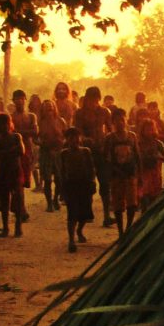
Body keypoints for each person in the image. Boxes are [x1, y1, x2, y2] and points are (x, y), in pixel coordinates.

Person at [75, 87, 113, 226]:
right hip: (86, 152)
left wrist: (108, 145)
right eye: (91, 99)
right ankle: (88, 212)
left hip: (102, 151)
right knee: (87, 184)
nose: (93, 102)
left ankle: (106, 215)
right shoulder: (79, 113)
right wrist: (86, 139)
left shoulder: (105, 112)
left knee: (105, 184)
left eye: (96, 99)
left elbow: (111, 130)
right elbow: (77, 133)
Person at [104, 109, 140, 237]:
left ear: (126, 121)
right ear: (113, 122)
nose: (120, 123)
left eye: (122, 120)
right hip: (116, 174)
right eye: (117, 121)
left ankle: (128, 228)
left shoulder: (132, 136)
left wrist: (138, 174)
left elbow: (137, 155)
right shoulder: (110, 138)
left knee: (131, 203)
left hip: (130, 174)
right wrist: (110, 173)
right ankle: (120, 231)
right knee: (118, 205)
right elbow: (107, 159)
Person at [58, 128, 95, 253]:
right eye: (70, 137)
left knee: (85, 213)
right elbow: (62, 172)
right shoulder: (63, 153)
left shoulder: (86, 151)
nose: (73, 140)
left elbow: (91, 169)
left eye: (76, 137)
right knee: (72, 213)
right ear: (67, 139)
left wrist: (92, 183)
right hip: (70, 185)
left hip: (84, 184)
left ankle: (79, 230)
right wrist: (61, 190)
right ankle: (71, 240)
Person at [0, 113, 25, 237]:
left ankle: (18, 226)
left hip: (14, 170)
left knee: (17, 199)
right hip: (5, 171)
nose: (5, 126)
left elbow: (21, 151)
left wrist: (6, 152)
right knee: (5, 200)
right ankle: (6, 227)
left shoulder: (16, 136)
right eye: (2, 124)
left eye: (6, 123)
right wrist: (12, 150)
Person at [11, 89, 36, 221]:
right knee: (17, 182)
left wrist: (18, 133)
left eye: (22, 98)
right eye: (17, 98)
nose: (20, 101)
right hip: (15, 152)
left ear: (25, 100)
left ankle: (19, 208)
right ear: (13, 101)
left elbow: (34, 131)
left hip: (28, 152)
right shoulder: (10, 116)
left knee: (23, 181)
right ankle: (21, 210)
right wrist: (24, 133)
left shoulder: (31, 116)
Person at [37, 99, 65, 212]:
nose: (49, 108)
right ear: (43, 110)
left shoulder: (61, 121)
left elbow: (66, 135)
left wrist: (60, 145)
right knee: (47, 180)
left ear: (54, 108)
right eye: (46, 107)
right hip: (45, 153)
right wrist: (42, 144)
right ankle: (49, 203)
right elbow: (35, 137)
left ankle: (55, 199)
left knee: (59, 179)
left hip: (58, 153)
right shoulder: (40, 122)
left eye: (51, 106)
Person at [137, 114, 164, 210]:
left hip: (155, 173)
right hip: (143, 173)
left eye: (151, 129)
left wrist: (158, 157)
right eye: (147, 129)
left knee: (153, 198)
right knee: (144, 196)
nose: (149, 132)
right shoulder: (138, 143)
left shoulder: (158, 143)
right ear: (142, 130)